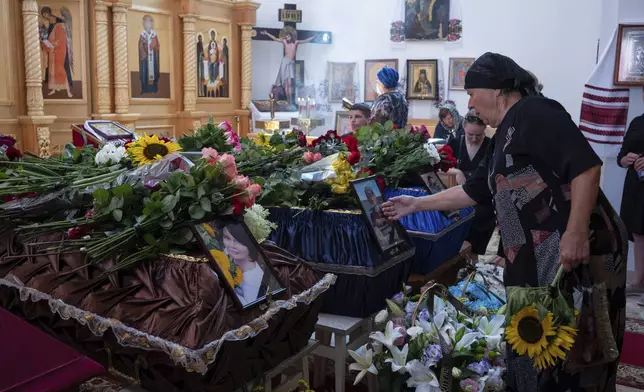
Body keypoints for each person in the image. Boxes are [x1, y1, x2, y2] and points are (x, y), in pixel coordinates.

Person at [383, 52, 626, 392]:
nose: (469, 102)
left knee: (578, 353)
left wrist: (574, 233)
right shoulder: (505, 133)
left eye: (471, 93)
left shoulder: (535, 111)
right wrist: (416, 204)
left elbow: (587, 167)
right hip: (536, 260)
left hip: (573, 254)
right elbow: (473, 191)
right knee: (534, 351)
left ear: (496, 90)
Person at [446, 110, 494, 258]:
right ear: (464, 128)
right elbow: (442, 166)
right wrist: (456, 172)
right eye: (470, 135)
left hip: (483, 206)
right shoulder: (454, 143)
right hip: (459, 203)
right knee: (457, 247)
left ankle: (472, 272)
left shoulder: (491, 145)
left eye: (479, 135)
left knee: (477, 249)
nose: (474, 139)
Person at [617, 114, 644, 295]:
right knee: (637, 230)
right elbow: (622, 154)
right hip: (636, 184)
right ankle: (639, 281)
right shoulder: (637, 122)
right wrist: (625, 160)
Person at [260, 28, 317, 102]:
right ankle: (288, 100)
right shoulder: (285, 42)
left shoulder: (296, 42)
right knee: (286, 83)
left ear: (291, 36)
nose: (287, 38)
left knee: (290, 83)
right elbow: (275, 39)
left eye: (288, 37)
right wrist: (267, 34)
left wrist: (313, 37)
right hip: (285, 62)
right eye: (286, 37)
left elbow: (305, 40)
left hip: (291, 63)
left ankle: (290, 99)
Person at [220, 224, 266, 306]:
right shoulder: (228, 252)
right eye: (227, 237)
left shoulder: (253, 280)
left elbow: (249, 307)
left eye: (238, 241)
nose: (231, 245)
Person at [40, 7, 73, 98]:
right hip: (52, 51)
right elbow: (48, 37)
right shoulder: (47, 24)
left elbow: (61, 38)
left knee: (61, 71)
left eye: (46, 14)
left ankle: (68, 90)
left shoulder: (59, 23)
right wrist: (44, 42)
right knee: (52, 71)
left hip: (59, 50)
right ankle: (53, 89)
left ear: (49, 12)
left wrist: (54, 44)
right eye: (44, 16)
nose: (46, 16)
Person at [138, 15, 160, 94]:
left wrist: (154, 46)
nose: (148, 23)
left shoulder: (154, 34)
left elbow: (157, 46)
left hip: (153, 57)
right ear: (144, 23)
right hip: (145, 58)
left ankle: (153, 89)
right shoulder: (142, 34)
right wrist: (144, 46)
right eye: (146, 21)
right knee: (145, 72)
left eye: (149, 21)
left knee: (153, 71)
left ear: (151, 23)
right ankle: (144, 89)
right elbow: (140, 45)